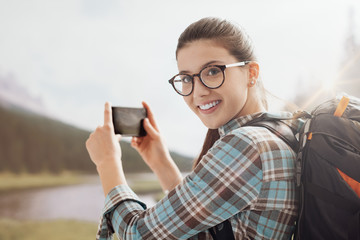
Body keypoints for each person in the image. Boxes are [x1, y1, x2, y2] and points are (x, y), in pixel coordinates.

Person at [86, 17, 301, 240]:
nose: (198, 92)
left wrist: (107, 163)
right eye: (187, 78)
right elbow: (204, 227)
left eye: (212, 71)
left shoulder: (247, 145)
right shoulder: (281, 130)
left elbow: (138, 234)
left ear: (251, 73)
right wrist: (161, 163)